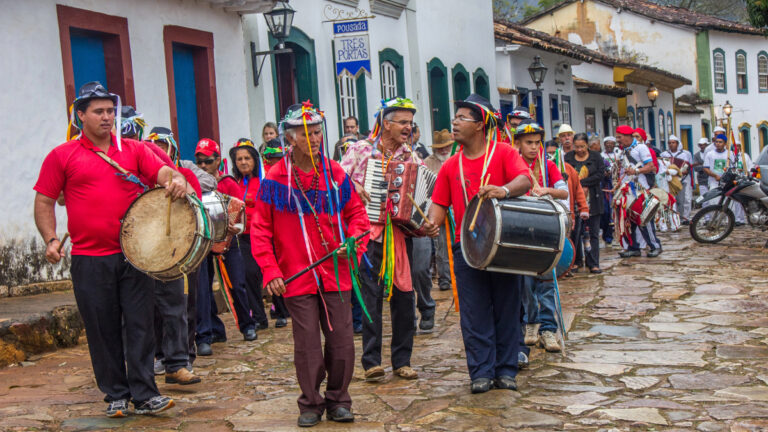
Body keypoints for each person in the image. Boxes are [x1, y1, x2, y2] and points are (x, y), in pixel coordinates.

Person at [33, 81, 185, 416]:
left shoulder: (133, 149)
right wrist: (51, 239)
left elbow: (163, 171)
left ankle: (145, 393)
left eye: (110, 111)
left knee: (141, 325)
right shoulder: (63, 155)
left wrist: (175, 180)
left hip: (135, 256)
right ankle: (115, 393)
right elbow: (44, 201)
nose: (107, 117)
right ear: (81, 116)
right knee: (101, 329)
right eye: (98, 111)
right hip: (89, 259)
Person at [251, 103, 370, 427]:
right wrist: (272, 271)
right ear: (290, 139)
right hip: (297, 277)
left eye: (317, 132)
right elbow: (260, 229)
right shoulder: (275, 180)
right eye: (306, 134)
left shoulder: (334, 173)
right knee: (307, 346)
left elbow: (357, 216)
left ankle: (338, 400)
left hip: (336, 273)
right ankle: (311, 403)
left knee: (342, 343)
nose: (314, 139)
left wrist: (354, 243)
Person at [427, 93, 532, 394]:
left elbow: (525, 181)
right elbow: (437, 210)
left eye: (462, 118)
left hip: (502, 245)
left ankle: (506, 369)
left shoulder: (503, 153)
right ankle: (481, 372)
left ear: (480, 125)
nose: (454, 123)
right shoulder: (450, 166)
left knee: (507, 307)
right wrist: (427, 226)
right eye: (455, 117)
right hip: (467, 248)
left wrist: (504, 189)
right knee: (474, 313)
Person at [340, 97, 421, 382]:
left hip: (399, 235)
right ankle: (371, 361)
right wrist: (356, 185)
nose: (408, 128)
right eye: (403, 122)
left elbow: (420, 193)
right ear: (386, 123)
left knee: (404, 297)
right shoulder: (360, 150)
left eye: (410, 123)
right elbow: (337, 180)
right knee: (370, 298)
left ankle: (402, 360)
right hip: (367, 234)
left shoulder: (411, 157)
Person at [142, 132, 202, 385]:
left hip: (173, 247)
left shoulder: (175, 171)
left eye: (163, 146)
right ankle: (153, 358)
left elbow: (194, 203)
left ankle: (179, 360)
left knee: (177, 304)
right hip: (140, 245)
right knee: (145, 309)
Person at [194, 138, 257, 357]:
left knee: (237, 284)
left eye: (207, 161)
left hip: (230, 242)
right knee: (203, 289)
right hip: (203, 243)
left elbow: (240, 211)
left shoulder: (228, 183)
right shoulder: (193, 183)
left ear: (217, 161)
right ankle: (208, 332)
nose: (203, 166)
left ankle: (247, 324)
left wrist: (233, 228)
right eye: (199, 162)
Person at [514, 123, 568, 353]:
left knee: (546, 281)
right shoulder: (513, 165)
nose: (534, 147)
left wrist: (547, 190)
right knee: (525, 283)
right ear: (518, 143)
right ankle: (531, 324)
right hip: (520, 230)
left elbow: (564, 192)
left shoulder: (548, 166)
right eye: (529, 143)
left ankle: (548, 328)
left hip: (545, 231)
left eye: (537, 143)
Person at [229, 138, 289, 330]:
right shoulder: (234, 183)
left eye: (247, 158)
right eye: (239, 159)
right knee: (249, 274)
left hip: (266, 234)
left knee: (272, 270)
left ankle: (281, 311)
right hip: (244, 236)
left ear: (255, 160)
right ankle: (259, 316)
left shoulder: (265, 179)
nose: (243, 162)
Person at [615, 125, 663, 258]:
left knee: (644, 219)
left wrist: (636, 171)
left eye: (620, 137)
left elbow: (651, 166)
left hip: (640, 189)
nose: (618, 140)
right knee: (627, 220)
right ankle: (633, 247)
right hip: (626, 191)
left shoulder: (641, 148)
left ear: (627, 136)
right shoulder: (622, 152)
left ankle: (655, 245)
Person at [565, 133, 605, 274]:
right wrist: (577, 186)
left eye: (582, 146)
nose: (580, 149)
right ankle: (575, 261)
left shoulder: (596, 157)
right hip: (574, 200)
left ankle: (593, 262)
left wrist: (582, 183)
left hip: (593, 198)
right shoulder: (568, 157)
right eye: (577, 147)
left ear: (587, 145)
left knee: (593, 232)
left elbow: (600, 174)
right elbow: (566, 175)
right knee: (575, 232)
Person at [423, 129, 453, 292]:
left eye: (446, 146)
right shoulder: (428, 162)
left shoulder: (456, 159)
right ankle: (444, 278)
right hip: (438, 209)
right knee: (441, 247)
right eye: (440, 147)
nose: (443, 150)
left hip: (457, 210)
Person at [703, 134, 752, 225]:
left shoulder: (730, 154)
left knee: (728, 202)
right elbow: (706, 168)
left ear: (725, 143)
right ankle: (716, 220)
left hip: (727, 183)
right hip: (714, 182)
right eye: (716, 142)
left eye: (720, 142)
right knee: (713, 201)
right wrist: (715, 175)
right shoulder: (710, 154)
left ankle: (728, 221)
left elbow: (733, 168)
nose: (718, 144)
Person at [661, 135, 693, 223]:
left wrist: (677, 172)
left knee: (682, 199)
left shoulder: (684, 154)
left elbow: (686, 168)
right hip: (668, 180)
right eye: (669, 143)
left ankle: (683, 217)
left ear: (677, 144)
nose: (671, 145)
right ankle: (670, 218)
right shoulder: (664, 154)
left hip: (681, 179)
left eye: (673, 143)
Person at [600, 136, 620, 244]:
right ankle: (607, 233)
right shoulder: (601, 156)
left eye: (611, 143)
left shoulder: (619, 155)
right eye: (607, 143)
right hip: (607, 186)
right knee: (607, 210)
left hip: (618, 184)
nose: (609, 145)